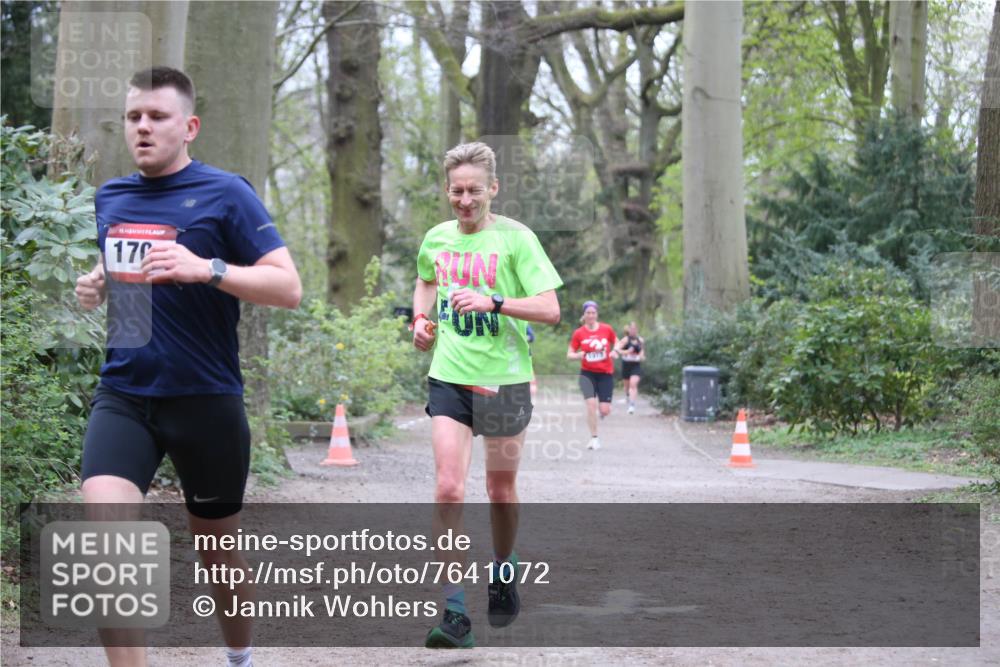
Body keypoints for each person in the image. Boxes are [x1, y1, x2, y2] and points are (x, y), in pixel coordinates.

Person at [74, 66, 302, 667]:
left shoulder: (228, 193)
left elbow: (288, 287)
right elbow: (132, 279)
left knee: (217, 552)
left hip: (206, 400)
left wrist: (210, 269)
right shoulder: (111, 197)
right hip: (124, 395)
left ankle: (240, 656)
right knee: (105, 543)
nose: (143, 127)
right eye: (133, 117)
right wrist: (102, 282)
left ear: (189, 126)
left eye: (157, 117)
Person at [412, 141, 562, 648]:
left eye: (475, 190)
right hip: (450, 376)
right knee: (448, 488)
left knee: (499, 491)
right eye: (457, 190)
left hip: (505, 379)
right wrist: (420, 321)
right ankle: (454, 612)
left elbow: (550, 309)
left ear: (492, 189)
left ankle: (503, 568)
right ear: (447, 191)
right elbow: (425, 279)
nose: (465, 199)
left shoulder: (517, 239)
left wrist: (494, 302)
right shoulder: (437, 237)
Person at [567, 301, 618, 450]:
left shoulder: (606, 329)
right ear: (584, 315)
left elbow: (618, 342)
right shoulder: (579, 333)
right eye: (588, 313)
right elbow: (569, 354)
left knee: (604, 409)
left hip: (605, 374)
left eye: (593, 313)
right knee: (591, 405)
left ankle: (602, 412)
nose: (590, 315)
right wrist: (578, 355)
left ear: (597, 314)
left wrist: (616, 351)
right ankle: (594, 438)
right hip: (587, 374)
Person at [615, 321, 645, 415]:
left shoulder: (640, 340)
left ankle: (632, 405)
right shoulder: (625, 340)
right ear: (629, 330)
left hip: (636, 366)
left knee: (633, 384)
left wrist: (641, 356)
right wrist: (627, 351)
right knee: (627, 386)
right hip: (626, 365)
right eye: (631, 329)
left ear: (637, 330)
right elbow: (617, 349)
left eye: (634, 329)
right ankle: (627, 397)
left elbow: (642, 351)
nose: (633, 331)